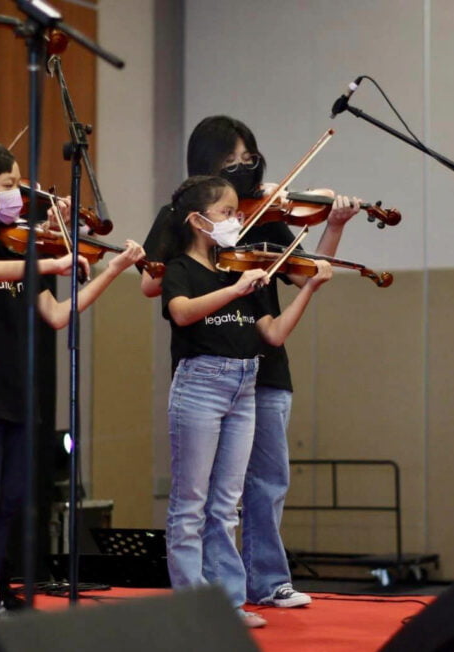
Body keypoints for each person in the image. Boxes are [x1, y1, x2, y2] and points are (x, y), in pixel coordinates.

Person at [142, 116, 360, 611]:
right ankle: (211, 595)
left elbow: (305, 271)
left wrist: (334, 225)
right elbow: (153, 284)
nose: (243, 168)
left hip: (262, 361)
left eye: (248, 158)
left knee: (265, 479)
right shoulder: (183, 215)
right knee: (206, 494)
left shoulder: (264, 213)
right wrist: (212, 253)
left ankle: (265, 580)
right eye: (229, 160)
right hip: (207, 364)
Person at [0, 138, 144, 638]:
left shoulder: (18, 245)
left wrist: (113, 270)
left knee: (9, 499)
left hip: (17, 388)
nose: (17, 196)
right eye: (8, 185)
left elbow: (56, 314)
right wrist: (50, 263)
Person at [159, 174, 332, 628]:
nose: (236, 221)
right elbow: (180, 311)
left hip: (245, 383)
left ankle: (228, 602)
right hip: (201, 382)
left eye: (238, 213)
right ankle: (191, 602)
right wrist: (236, 290)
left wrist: (308, 288)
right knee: (191, 500)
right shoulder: (181, 267)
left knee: (226, 503)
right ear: (197, 220)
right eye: (226, 213)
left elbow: (272, 334)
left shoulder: (239, 267)